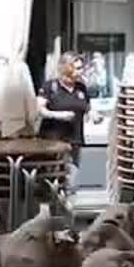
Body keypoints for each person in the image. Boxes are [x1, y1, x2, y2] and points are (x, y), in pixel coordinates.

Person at [37, 52, 90, 185]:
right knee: (51, 177)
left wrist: (93, 114)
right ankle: (52, 201)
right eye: (78, 68)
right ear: (67, 68)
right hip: (53, 140)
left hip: (75, 140)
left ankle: (65, 201)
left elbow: (86, 107)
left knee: (71, 176)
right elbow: (39, 110)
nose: (81, 71)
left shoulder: (81, 88)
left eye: (81, 68)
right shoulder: (51, 87)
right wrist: (59, 115)